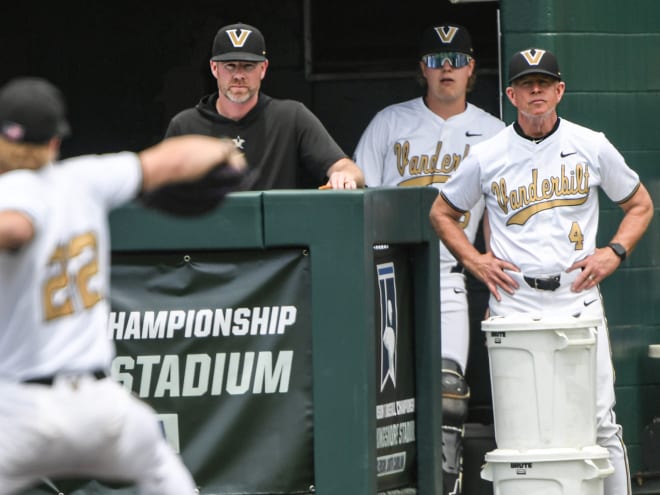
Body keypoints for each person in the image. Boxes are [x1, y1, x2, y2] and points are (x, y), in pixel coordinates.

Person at [0, 77, 247, 494]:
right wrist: (226, 151)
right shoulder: (87, 178)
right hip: (101, 408)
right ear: (56, 142)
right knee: (162, 472)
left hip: (20, 413)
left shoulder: (10, 191)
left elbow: (17, 226)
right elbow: (169, 160)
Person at [429, 48, 654, 495]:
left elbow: (640, 204)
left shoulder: (590, 144)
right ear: (511, 94)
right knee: (518, 430)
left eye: (545, 83)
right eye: (528, 84)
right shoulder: (488, 154)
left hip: (576, 296)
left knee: (599, 423)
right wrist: (474, 261)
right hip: (515, 299)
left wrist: (614, 252)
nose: (537, 91)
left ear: (560, 90)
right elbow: (441, 212)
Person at [353, 24, 504, 495]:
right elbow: (362, 199)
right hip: (389, 275)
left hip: (448, 277)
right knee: (382, 395)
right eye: (437, 60)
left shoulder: (494, 132)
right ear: (423, 68)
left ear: (472, 68)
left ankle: (444, 486)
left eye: (456, 59)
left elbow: (497, 220)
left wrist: (497, 286)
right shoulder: (389, 123)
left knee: (448, 394)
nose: (447, 69)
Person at [165, 22, 364, 190]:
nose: (239, 75)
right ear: (214, 68)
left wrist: (345, 175)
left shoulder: (291, 116)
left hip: (275, 234)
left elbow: (348, 168)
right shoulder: (185, 125)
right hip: (206, 234)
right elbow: (159, 194)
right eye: (230, 66)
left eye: (248, 66)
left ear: (263, 69)